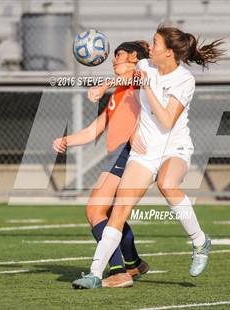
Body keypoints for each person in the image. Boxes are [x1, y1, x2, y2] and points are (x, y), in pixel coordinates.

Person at [72, 24, 225, 289]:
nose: (149, 47)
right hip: (145, 154)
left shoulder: (184, 80)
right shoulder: (145, 65)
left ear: (168, 52)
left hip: (174, 149)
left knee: (167, 183)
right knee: (119, 212)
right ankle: (95, 274)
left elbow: (166, 120)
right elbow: (127, 76)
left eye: (155, 43)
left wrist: (149, 88)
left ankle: (200, 242)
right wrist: (102, 86)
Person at [53, 41, 151, 288]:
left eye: (118, 54)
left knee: (95, 210)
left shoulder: (141, 76)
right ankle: (133, 263)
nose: (113, 60)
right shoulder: (119, 93)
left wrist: (103, 84)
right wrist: (66, 140)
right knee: (109, 213)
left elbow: (137, 75)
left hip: (129, 152)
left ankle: (120, 271)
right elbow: (92, 131)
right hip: (118, 155)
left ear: (134, 56)